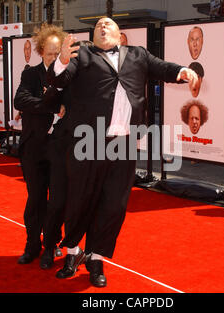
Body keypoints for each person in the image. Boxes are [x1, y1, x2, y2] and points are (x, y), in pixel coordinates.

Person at [47, 17, 199, 288]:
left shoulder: (138, 55)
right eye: (97, 26)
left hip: (125, 143)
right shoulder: (82, 53)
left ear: (120, 34)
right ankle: (72, 251)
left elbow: (162, 68)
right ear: (93, 36)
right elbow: (59, 80)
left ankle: (95, 258)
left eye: (108, 24)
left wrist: (182, 70)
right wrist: (60, 59)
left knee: (113, 205)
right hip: (87, 141)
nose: (102, 27)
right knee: (80, 198)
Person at [13, 23, 67, 270]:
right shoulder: (30, 74)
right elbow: (20, 100)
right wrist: (52, 106)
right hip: (34, 147)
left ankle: (51, 247)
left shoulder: (69, 75)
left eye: (58, 53)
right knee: (35, 199)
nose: (54, 58)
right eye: (50, 53)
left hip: (59, 148)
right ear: (41, 50)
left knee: (56, 202)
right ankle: (32, 245)